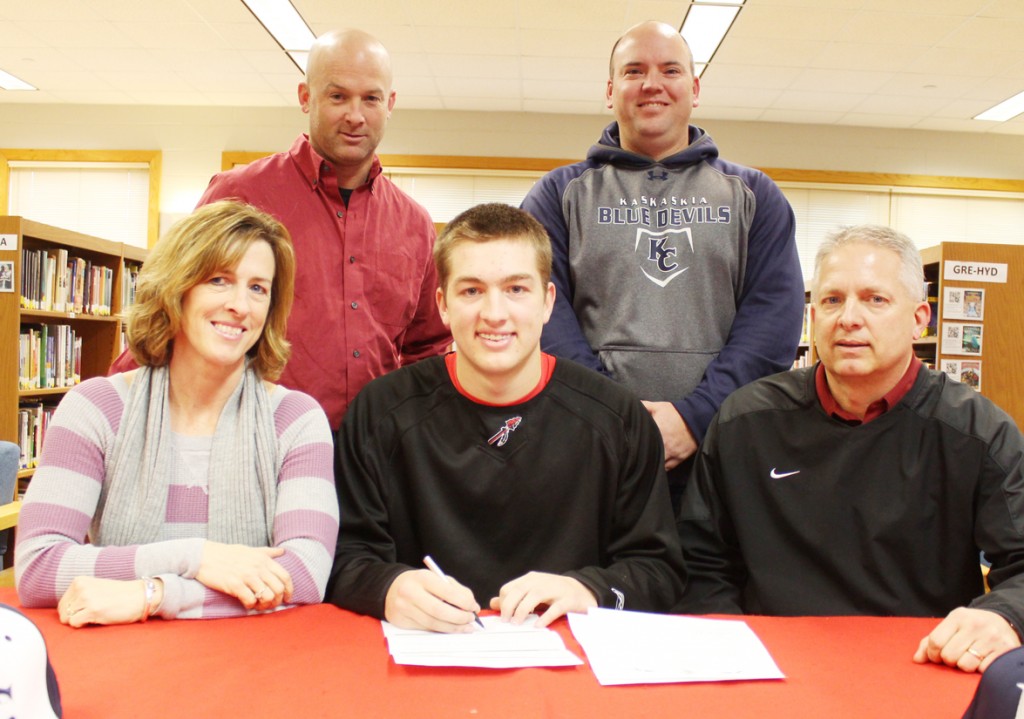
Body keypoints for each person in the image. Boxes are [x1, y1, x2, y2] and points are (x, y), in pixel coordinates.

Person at [677, 224, 1024, 674]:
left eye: (875, 299)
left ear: (921, 318)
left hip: (920, 665)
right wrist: (733, 646)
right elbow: (701, 558)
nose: (849, 318)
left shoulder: (978, 433)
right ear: (814, 315)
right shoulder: (745, 421)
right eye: (832, 300)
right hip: (771, 665)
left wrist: (1004, 616)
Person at [327, 203, 685, 632]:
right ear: (442, 304)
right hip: (424, 655)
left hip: (572, 662)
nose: (494, 313)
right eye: (471, 291)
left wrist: (591, 590)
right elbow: (345, 556)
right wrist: (387, 586)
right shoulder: (380, 412)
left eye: (516, 289)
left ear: (548, 301)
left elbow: (659, 570)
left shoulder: (618, 418)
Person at [520, 21, 805, 509]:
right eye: (634, 71)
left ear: (694, 89)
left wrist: (693, 418)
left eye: (670, 70)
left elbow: (772, 323)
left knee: (711, 586)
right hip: (593, 453)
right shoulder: (557, 195)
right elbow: (544, 315)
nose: (652, 83)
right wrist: (618, 418)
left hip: (719, 455)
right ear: (611, 92)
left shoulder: (754, 196)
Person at [109, 28, 451, 432]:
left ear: (390, 103)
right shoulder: (239, 193)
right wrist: (110, 413)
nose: (355, 115)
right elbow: (171, 306)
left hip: (372, 460)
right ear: (306, 96)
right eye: (337, 96)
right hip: (251, 442)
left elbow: (426, 349)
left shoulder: (413, 223)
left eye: (371, 98)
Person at [15, 201, 339, 625]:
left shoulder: (297, 421)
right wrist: (195, 557)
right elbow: (39, 567)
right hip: (124, 662)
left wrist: (156, 594)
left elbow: (305, 574)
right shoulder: (95, 409)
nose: (240, 305)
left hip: (251, 662)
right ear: (176, 289)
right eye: (219, 280)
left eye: (258, 288)